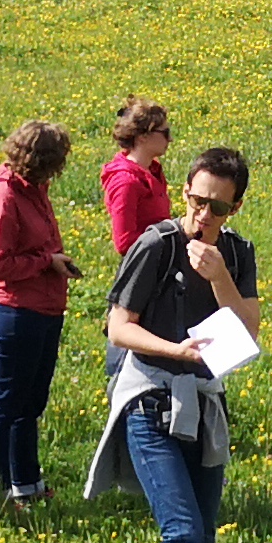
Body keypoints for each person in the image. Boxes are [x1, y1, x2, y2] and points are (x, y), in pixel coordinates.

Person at [88, 147, 260, 543]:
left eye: (217, 207)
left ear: (234, 209)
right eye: (196, 199)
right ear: (184, 190)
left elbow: (250, 330)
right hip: (150, 398)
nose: (203, 215)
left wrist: (221, 282)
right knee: (182, 533)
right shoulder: (156, 245)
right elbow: (118, 328)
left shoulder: (235, 254)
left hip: (205, 406)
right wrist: (175, 351)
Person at [0, 119, 77, 505]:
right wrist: (45, 262)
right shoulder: (3, 197)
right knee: (6, 403)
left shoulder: (34, 189)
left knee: (31, 403)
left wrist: (52, 262)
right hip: (17, 313)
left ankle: (27, 484)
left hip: (45, 309)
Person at [99, 99, 175, 381]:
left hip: (159, 266)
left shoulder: (153, 171)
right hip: (140, 269)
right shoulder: (126, 181)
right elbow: (124, 241)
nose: (170, 138)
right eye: (164, 133)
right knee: (128, 334)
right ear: (143, 136)